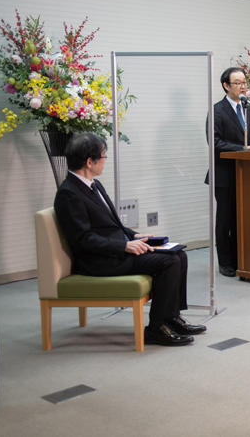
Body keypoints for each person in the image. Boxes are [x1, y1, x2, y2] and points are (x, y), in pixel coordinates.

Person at [54, 133, 205, 346]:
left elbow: (110, 223)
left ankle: (172, 318)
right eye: (103, 156)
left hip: (117, 248)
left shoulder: (94, 185)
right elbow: (83, 239)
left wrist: (133, 235)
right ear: (89, 162)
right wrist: (124, 245)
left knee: (179, 254)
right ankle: (156, 328)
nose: (105, 161)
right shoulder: (68, 194)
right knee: (169, 261)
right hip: (99, 260)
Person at [206, 67, 250, 277]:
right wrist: (242, 149)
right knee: (226, 219)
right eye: (238, 83)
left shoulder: (248, 109)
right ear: (226, 86)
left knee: (243, 217)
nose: (243, 86)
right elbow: (215, 142)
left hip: (247, 174)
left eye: (244, 82)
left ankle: (242, 258)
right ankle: (226, 262)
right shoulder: (217, 111)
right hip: (225, 175)